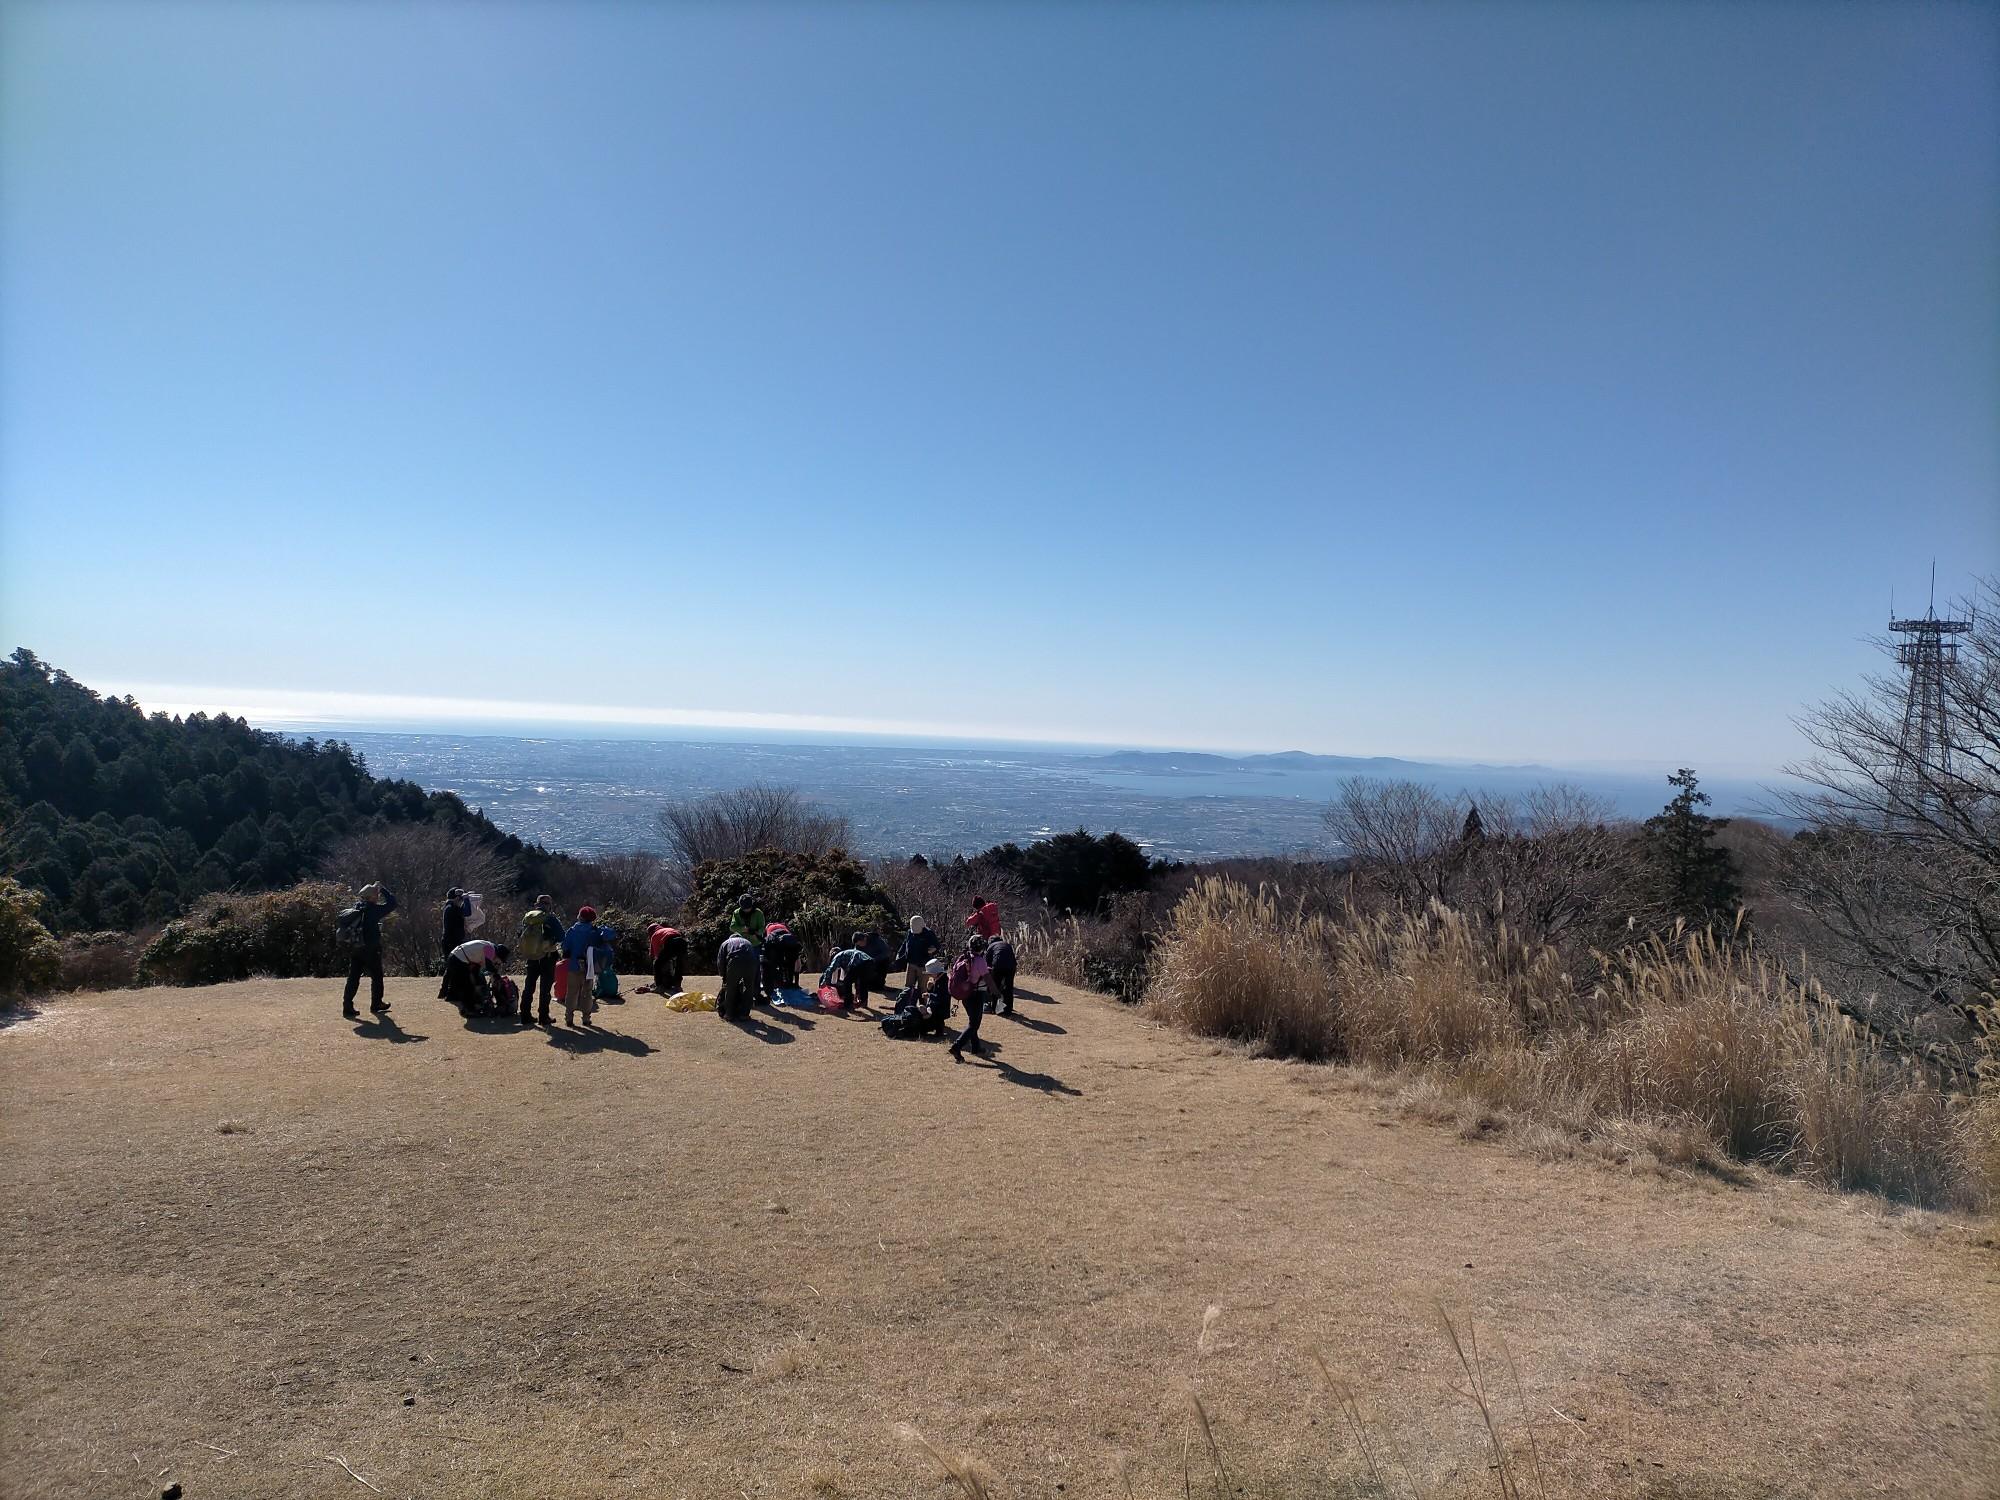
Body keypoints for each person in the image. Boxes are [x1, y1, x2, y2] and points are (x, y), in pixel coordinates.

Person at [338, 882, 397, 1019]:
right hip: (371, 949)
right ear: (371, 897)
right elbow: (393, 903)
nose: (377, 896)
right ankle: (376, 1003)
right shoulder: (373, 909)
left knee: (353, 977)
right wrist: (383, 889)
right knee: (377, 976)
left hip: (356, 948)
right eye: (376, 894)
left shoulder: (357, 907)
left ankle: (347, 1005)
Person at [515, 894, 564, 1025]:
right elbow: (561, 936)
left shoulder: (528, 917)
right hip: (547, 957)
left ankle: (525, 1015)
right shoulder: (550, 918)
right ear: (549, 905)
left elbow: (520, 934)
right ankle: (543, 1016)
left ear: (536, 904)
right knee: (545, 989)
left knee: (529, 986)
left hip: (531, 956)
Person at [947, 935, 992, 1062]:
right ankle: (957, 1046)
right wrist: (998, 994)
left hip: (965, 995)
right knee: (974, 1024)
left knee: (973, 1021)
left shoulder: (963, 958)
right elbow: (987, 979)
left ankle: (976, 1047)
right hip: (976, 995)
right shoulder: (979, 960)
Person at [561, 906, 604, 1027]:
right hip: (588, 966)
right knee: (587, 992)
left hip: (574, 965)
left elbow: (565, 947)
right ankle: (586, 1018)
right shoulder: (595, 931)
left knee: (571, 992)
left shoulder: (572, 930)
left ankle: (569, 1017)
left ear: (580, 916)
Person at [444, 939, 511, 1015]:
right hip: (458, 959)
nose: (499, 962)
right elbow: (489, 965)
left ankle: (454, 997)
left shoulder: (487, 947)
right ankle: (469, 1010)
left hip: (455, 957)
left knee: (465, 983)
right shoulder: (490, 949)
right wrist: (496, 974)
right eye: (500, 960)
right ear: (498, 955)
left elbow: (476, 968)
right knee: (468, 986)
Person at [717, 932, 761, 1022]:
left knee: (731, 988)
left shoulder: (726, 942)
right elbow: (755, 957)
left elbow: (720, 961)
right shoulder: (748, 942)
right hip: (751, 962)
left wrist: (723, 974)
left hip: (735, 961)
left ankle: (729, 1014)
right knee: (749, 988)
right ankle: (744, 1014)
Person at [820, 939, 874, 1010]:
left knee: (847, 982)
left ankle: (848, 1004)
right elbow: (857, 980)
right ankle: (863, 1002)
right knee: (863, 983)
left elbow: (831, 969)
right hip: (870, 962)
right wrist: (857, 992)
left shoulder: (838, 956)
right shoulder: (847, 955)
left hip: (858, 962)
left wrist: (824, 982)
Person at [893, 915, 941, 995]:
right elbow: (905, 944)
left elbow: (937, 945)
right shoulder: (910, 933)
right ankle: (907, 1004)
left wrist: (933, 950)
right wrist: (899, 954)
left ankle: (923, 1006)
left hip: (924, 965)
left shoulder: (929, 933)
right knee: (908, 987)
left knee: (922, 988)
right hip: (911, 963)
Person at [437, 888, 472, 997]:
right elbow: (467, 912)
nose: (461, 901)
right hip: (451, 942)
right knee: (452, 966)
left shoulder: (450, 907)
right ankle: (448, 991)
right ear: (456, 898)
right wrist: (467, 900)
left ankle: (446, 991)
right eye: (460, 899)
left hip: (451, 941)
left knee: (452, 966)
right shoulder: (451, 908)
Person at [762, 921, 802, 997]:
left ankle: (778, 983)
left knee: (776, 963)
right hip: (790, 945)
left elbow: (767, 943)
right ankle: (792, 984)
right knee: (791, 964)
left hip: (777, 943)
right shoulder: (784, 927)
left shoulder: (768, 929)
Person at [648, 922, 688, 994]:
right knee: (679, 964)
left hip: (671, 942)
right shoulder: (667, 929)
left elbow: (655, 955)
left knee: (657, 963)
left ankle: (659, 986)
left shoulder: (654, 935)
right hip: (682, 942)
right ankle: (677, 986)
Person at [985, 933, 1017, 1016]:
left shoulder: (991, 946)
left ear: (990, 942)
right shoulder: (1007, 944)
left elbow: (986, 963)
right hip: (1011, 966)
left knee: (995, 986)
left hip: (998, 965)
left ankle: (994, 1008)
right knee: (1008, 988)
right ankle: (1008, 1009)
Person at [859, 927, 892, 1000]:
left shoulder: (878, 940)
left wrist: (874, 959)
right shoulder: (859, 941)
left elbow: (886, 952)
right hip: (866, 962)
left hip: (879, 961)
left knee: (878, 983)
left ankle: (879, 983)